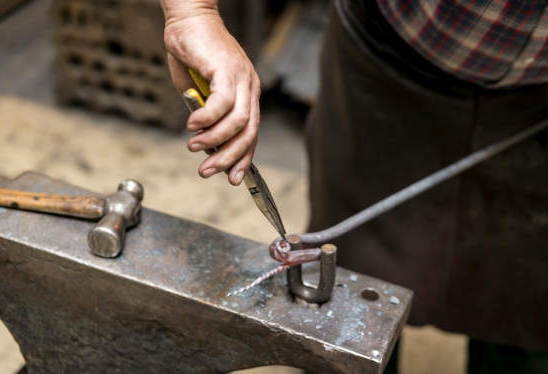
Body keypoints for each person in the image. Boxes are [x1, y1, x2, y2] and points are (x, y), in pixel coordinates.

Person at [160, 0, 548, 373]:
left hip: (538, 103)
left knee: (521, 301)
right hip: (390, 51)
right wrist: (192, 13)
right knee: (348, 306)